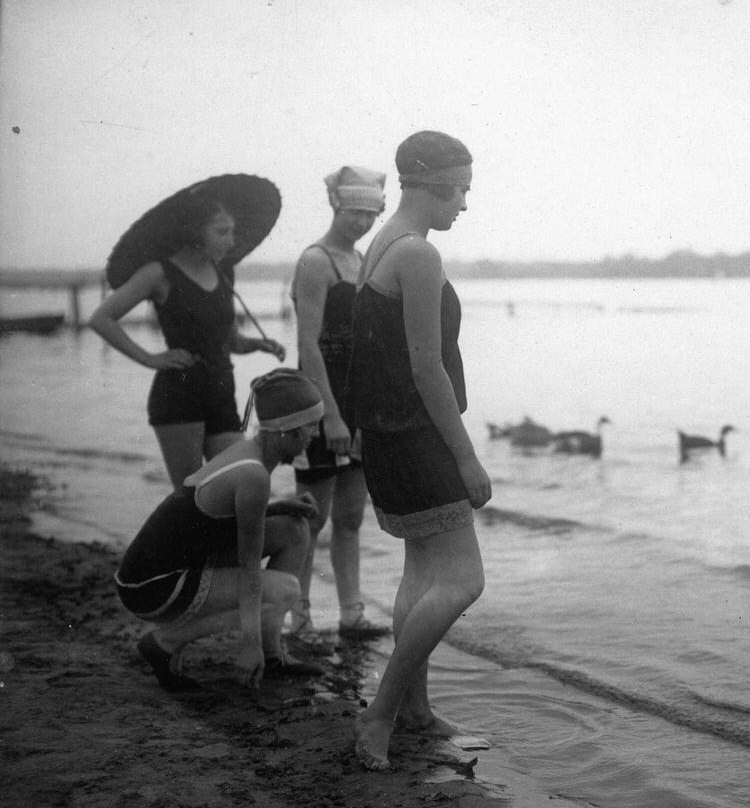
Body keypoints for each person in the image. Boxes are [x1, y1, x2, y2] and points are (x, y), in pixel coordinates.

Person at [341, 131, 492, 771]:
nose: (463, 204)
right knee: (462, 580)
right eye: (460, 190)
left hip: (385, 436)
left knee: (421, 577)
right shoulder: (419, 258)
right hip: (420, 438)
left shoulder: (382, 245)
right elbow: (427, 369)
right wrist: (467, 458)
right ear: (430, 185)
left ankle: (417, 712)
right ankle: (380, 713)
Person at [116, 368, 327, 692]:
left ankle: (272, 656)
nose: (314, 434)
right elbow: (249, 568)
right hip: (152, 588)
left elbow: (215, 524)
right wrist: (248, 645)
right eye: (309, 426)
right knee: (285, 590)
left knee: (293, 529)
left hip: (152, 574)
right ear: (283, 430)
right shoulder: (253, 475)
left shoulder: (249, 454)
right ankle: (165, 643)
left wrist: (281, 506)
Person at [90, 191, 286, 489]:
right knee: (188, 497)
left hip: (221, 391)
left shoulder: (224, 272)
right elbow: (101, 318)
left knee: (241, 485)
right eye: (222, 232)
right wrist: (150, 358)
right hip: (179, 395)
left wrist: (258, 344)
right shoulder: (159, 273)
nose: (231, 241)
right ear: (195, 230)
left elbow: (231, 341)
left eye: (232, 232)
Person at [286, 166, 392, 648]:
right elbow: (308, 344)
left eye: (371, 214)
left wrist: (365, 411)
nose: (362, 222)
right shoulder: (316, 260)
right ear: (335, 205)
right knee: (311, 517)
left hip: (359, 402)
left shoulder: (363, 260)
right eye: (354, 212)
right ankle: (299, 618)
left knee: (350, 517)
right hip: (318, 399)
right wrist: (327, 413)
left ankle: (351, 613)